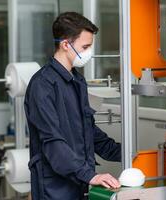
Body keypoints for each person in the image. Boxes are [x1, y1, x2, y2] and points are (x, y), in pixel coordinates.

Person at [24, 12, 121, 200]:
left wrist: (127, 153)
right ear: (66, 44)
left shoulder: (77, 80)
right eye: (85, 47)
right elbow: (53, 143)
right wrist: (91, 175)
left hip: (79, 184)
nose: (89, 53)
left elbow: (89, 131)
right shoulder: (42, 86)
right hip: (54, 189)